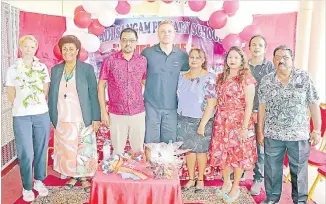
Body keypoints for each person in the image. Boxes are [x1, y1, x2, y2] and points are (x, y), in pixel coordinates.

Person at [258, 45, 321, 204]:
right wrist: (260, 131)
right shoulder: (267, 81)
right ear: (273, 60)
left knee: (299, 171)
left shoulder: (304, 77)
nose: (281, 60)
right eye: (277, 57)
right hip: (273, 133)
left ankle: (300, 201)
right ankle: (272, 199)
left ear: (292, 60)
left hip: (298, 134)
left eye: (285, 57)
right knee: (272, 170)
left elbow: (313, 103)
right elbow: (262, 107)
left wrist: (317, 130)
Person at [48, 35, 100, 193]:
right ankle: (72, 175)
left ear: (77, 51)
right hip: (63, 117)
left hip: (82, 116)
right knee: (67, 149)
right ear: (61, 51)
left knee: (84, 148)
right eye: (65, 49)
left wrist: (96, 117)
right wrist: (52, 116)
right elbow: (52, 95)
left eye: (71, 48)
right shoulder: (56, 70)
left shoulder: (86, 69)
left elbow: (93, 94)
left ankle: (83, 177)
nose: (68, 51)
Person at [5, 35, 51, 202]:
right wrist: (21, 106)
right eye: (26, 46)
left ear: (36, 49)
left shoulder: (42, 68)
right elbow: (11, 93)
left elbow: (45, 91)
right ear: (20, 48)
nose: (29, 50)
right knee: (26, 152)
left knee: (40, 149)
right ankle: (27, 186)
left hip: (41, 114)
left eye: (32, 47)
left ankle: (39, 181)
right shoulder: (12, 70)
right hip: (21, 116)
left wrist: (36, 106)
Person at [210, 46, 258, 202]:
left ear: (242, 60)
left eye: (236, 57)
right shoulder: (220, 77)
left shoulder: (247, 79)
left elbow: (249, 105)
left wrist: (244, 128)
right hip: (222, 121)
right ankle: (226, 183)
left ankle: (236, 186)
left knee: (238, 155)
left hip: (239, 122)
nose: (232, 60)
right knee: (223, 153)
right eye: (230, 57)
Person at [98, 28, 147, 155]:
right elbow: (101, 86)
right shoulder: (110, 61)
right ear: (120, 41)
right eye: (124, 40)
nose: (128, 43)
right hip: (117, 113)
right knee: (118, 152)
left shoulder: (142, 61)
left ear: (136, 42)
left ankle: (136, 174)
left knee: (138, 151)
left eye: (131, 40)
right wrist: (103, 112)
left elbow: (146, 83)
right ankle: (117, 173)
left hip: (138, 112)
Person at [141, 20, 189, 144]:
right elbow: (140, 76)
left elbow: (187, 79)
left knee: (169, 144)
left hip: (172, 107)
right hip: (151, 105)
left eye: (169, 31)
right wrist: (154, 88)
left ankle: (167, 165)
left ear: (174, 34)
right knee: (151, 143)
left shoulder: (182, 56)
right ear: (158, 34)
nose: (166, 34)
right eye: (162, 31)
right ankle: (151, 165)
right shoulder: (147, 53)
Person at [177, 48, 217, 193]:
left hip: (202, 120)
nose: (194, 60)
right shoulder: (181, 76)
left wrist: (203, 124)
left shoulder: (209, 77)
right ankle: (191, 178)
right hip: (183, 119)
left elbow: (212, 103)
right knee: (189, 151)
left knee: (200, 151)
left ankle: (200, 179)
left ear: (203, 60)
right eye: (191, 57)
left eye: (197, 57)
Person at [247, 35, 275, 195]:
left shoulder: (270, 68)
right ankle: (240, 171)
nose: (257, 47)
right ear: (249, 47)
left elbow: (272, 94)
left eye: (260, 45)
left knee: (260, 147)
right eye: (254, 44)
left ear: (265, 49)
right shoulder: (244, 66)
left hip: (263, 115)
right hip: (243, 112)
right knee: (241, 143)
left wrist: (259, 112)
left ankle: (258, 178)